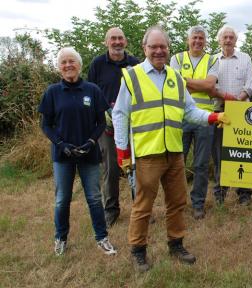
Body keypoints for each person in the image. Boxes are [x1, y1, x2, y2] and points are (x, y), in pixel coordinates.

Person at [112, 25, 228, 272]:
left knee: (177, 202)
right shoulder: (132, 76)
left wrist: (212, 118)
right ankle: (138, 251)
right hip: (147, 154)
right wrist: (122, 152)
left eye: (162, 46)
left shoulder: (176, 78)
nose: (158, 51)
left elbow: (189, 111)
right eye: (153, 46)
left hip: (174, 152)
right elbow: (120, 115)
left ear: (168, 49)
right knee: (143, 205)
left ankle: (176, 245)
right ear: (144, 49)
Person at [39, 47, 117, 257]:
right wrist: (61, 144)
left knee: (93, 197)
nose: (68, 65)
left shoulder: (92, 90)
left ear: (80, 65)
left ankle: (102, 238)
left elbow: (101, 122)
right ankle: (61, 238)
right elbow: (46, 125)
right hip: (62, 155)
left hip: (88, 153)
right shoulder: (52, 92)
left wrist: (92, 142)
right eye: (63, 62)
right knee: (62, 199)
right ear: (59, 68)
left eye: (72, 61)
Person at [88, 27, 140, 227]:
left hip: (133, 125)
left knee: (137, 168)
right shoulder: (97, 64)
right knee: (111, 168)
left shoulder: (135, 64)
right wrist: (102, 112)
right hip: (108, 126)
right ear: (106, 42)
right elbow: (91, 92)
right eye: (113, 39)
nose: (117, 42)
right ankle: (111, 210)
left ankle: (141, 207)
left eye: (120, 38)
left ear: (125, 42)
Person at [170, 25, 219, 219]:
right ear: (187, 40)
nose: (198, 41)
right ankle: (177, 203)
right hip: (180, 117)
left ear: (205, 41)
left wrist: (186, 81)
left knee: (201, 164)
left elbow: (210, 85)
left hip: (205, 119)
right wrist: (200, 84)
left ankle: (198, 204)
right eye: (194, 38)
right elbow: (174, 84)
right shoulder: (177, 58)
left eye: (201, 38)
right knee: (176, 164)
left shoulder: (212, 59)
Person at [211, 25, 252, 206]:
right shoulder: (212, 60)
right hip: (218, 112)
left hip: (241, 112)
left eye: (231, 37)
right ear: (219, 40)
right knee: (219, 154)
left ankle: (244, 193)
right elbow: (210, 87)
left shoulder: (245, 58)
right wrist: (225, 100)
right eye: (225, 37)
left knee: (242, 153)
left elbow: (250, 85)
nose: (228, 40)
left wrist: (236, 102)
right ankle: (220, 192)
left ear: (236, 40)